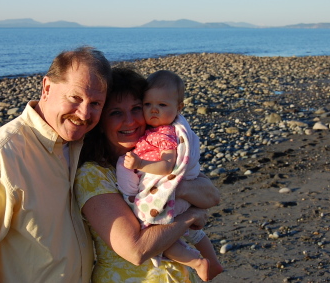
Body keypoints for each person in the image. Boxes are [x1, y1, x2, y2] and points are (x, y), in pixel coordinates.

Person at [0, 46, 112, 283]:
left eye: (96, 104)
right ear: (47, 88)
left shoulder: (83, 147)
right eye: (75, 98)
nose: (84, 113)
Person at [74, 67, 222, 282]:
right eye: (116, 112)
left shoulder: (161, 153)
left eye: (136, 108)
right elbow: (136, 250)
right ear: (100, 123)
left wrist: (174, 186)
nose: (130, 121)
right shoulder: (93, 175)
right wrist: (189, 217)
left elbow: (212, 197)